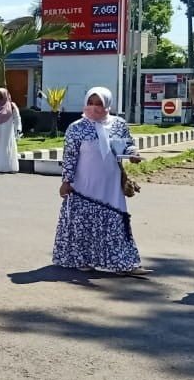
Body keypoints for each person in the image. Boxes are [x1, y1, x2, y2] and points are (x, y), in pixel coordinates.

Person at [52, 87, 145, 274]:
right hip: (84, 186)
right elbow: (70, 157)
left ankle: (124, 263)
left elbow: (127, 145)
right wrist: (66, 181)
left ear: (107, 104)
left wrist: (133, 154)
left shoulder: (118, 124)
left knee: (117, 222)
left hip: (111, 186)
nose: (94, 107)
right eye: (90, 103)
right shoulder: (76, 128)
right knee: (83, 223)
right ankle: (82, 259)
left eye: (99, 103)